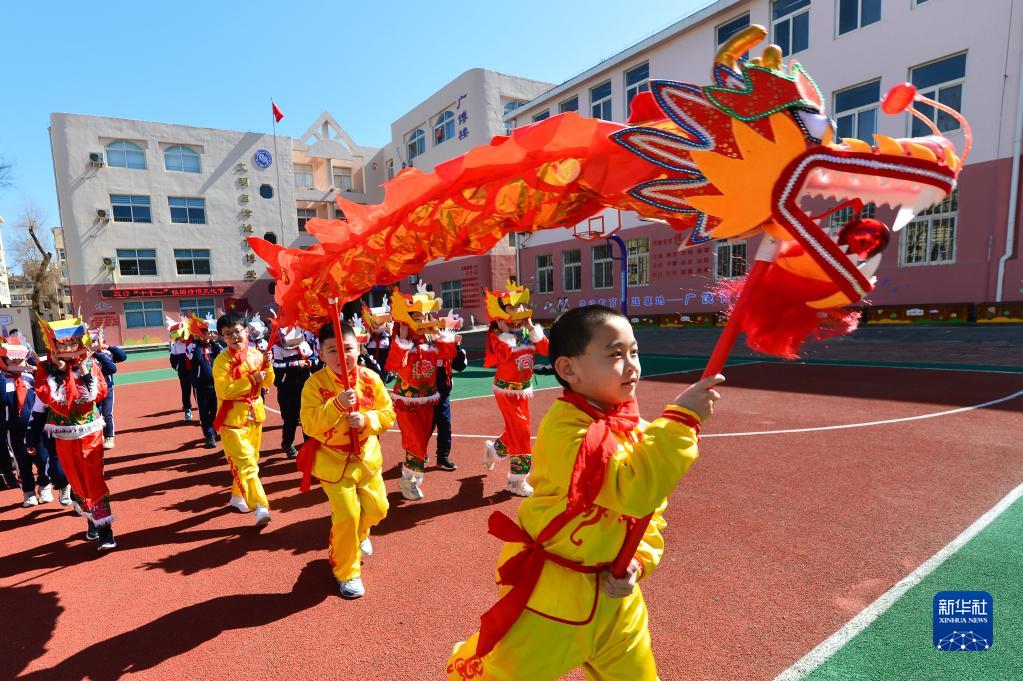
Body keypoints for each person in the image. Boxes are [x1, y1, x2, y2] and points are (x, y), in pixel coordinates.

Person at [446, 305, 724, 680]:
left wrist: (639, 562)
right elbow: (630, 490)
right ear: (568, 370)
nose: (631, 365)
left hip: (618, 605)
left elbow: (650, 513)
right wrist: (680, 422)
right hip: (554, 600)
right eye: (615, 354)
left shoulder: (640, 430)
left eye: (634, 352)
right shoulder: (565, 429)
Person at [297, 321, 395, 599]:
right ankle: (347, 571)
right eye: (332, 351)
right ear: (321, 353)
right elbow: (309, 424)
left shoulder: (370, 378)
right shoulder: (314, 384)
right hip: (333, 461)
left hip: (366, 457)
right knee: (348, 516)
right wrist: (337, 405)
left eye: (348, 349)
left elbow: (387, 414)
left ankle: (360, 534)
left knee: (378, 509)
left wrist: (366, 420)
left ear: (359, 347)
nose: (342, 357)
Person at [33, 315, 116, 550]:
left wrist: (85, 373)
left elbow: (98, 395)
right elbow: (52, 400)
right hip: (63, 435)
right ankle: (91, 519)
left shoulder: (90, 364)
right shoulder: (44, 369)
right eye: (63, 344)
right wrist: (59, 374)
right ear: (54, 346)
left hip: (90, 432)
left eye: (72, 343)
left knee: (94, 479)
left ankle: (105, 530)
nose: (68, 348)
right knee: (76, 482)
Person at [385, 283, 458, 501]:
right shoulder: (401, 341)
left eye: (425, 316)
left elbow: (447, 354)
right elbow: (394, 364)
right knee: (415, 442)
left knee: (422, 442)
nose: (423, 321)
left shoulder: (430, 341)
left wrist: (444, 335)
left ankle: (411, 478)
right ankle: (409, 482)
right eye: (417, 317)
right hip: (407, 400)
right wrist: (404, 339)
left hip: (428, 399)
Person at [482, 281, 549, 496]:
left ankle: (495, 450)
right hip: (506, 391)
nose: (519, 310)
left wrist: (530, 327)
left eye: (520, 305)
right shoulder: (497, 336)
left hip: (524, 390)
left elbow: (546, 350)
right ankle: (516, 481)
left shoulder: (528, 332)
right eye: (513, 307)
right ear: (501, 312)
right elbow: (501, 357)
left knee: (516, 430)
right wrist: (505, 332)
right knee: (521, 432)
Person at [213, 311, 275, 526]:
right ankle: (260, 506)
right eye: (227, 334)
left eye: (237, 331)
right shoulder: (221, 361)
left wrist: (268, 366)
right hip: (231, 419)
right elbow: (224, 390)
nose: (234, 337)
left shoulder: (257, 355)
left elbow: (267, 383)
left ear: (246, 331)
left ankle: (237, 496)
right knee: (247, 463)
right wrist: (251, 379)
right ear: (222, 337)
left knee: (250, 460)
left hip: (254, 414)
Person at [1, 337, 64, 506]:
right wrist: (3, 371)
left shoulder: (30, 377)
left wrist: (33, 366)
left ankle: (45, 487)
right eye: (11, 360)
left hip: (37, 428)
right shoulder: (2, 380)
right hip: (14, 430)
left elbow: (44, 393)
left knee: (43, 459)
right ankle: (28, 492)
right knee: (22, 463)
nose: (17, 363)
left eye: (19, 359)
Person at [272, 325, 316, 459]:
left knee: (307, 417)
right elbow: (276, 365)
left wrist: (310, 362)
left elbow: (314, 357)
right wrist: (297, 364)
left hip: (305, 386)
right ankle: (287, 443)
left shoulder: (303, 344)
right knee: (290, 419)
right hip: (287, 389)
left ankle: (309, 445)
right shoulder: (277, 348)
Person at [433, 310, 467, 471]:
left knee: (445, 424)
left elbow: (460, 366)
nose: (445, 332)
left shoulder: (453, 346)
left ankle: (442, 457)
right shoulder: (427, 344)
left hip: (443, 392)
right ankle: (417, 455)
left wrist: (457, 347)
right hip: (426, 392)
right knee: (425, 427)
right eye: (442, 329)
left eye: (448, 329)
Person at [185, 314, 222, 449]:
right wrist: (199, 343)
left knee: (215, 409)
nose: (210, 334)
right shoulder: (192, 347)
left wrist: (213, 342)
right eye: (207, 332)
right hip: (200, 385)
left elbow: (221, 355)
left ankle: (213, 428)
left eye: (211, 332)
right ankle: (209, 434)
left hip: (216, 383)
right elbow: (195, 360)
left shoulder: (214, 345)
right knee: (204, 411)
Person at [89, 328, 127, 450]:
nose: (94, 343)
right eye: (91, 341)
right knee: (95, 415)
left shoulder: (106, 354)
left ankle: (109, 436)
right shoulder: (84, 356)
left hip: (107, 389)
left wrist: (107, 347)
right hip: (90, 391)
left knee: (107, 414)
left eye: (96, 340)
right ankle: (97, 437)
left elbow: (122, 357)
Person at [167, 317, 194, 422]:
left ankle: (202, 409)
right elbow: (172, 359)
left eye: (183, 334)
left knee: (198, 391)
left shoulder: (193, 343)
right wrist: (177, 367)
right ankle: (187, 409)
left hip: (196, 371)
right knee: (186, 391)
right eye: (179, 336)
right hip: (183, 372)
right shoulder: (176, 345)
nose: (182, 337)